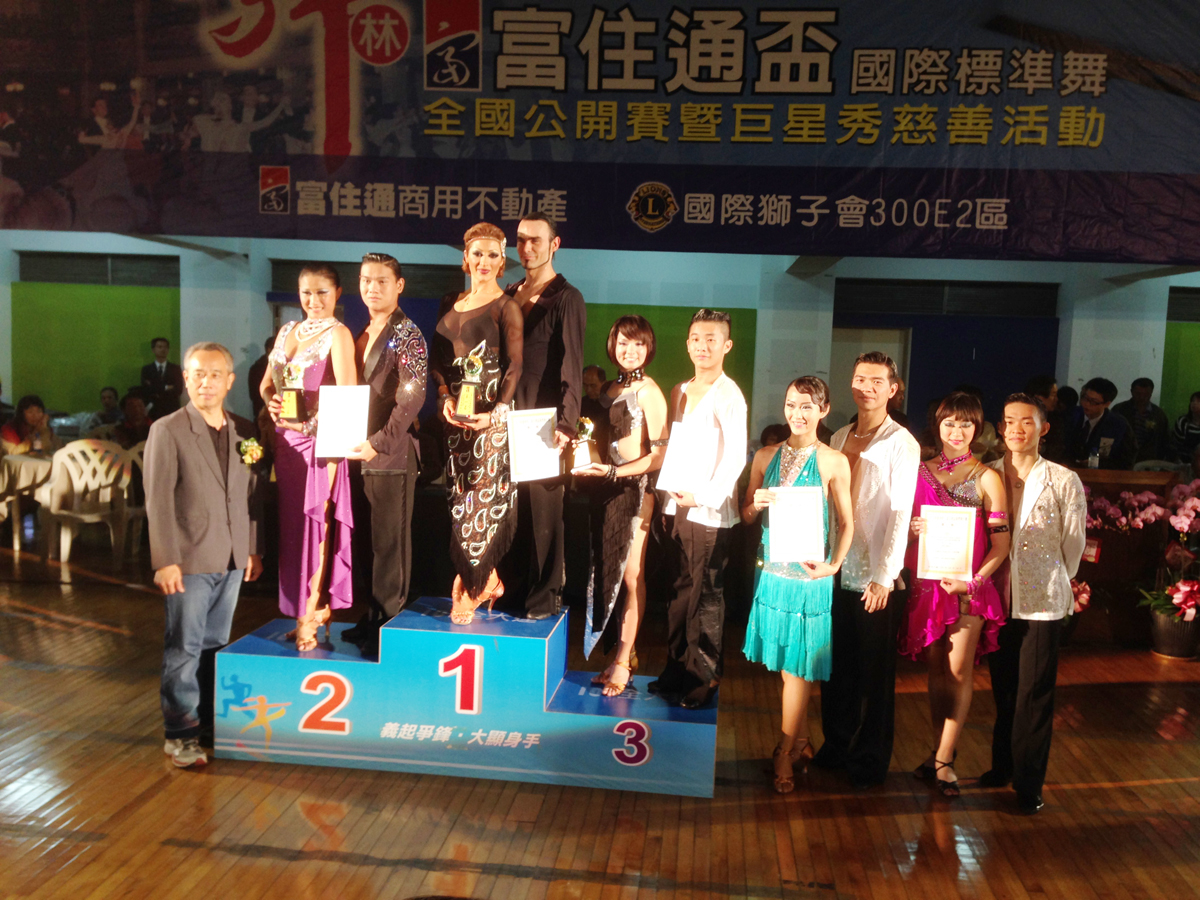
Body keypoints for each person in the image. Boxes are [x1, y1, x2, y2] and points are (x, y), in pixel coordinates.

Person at [145, 342, 263, 769]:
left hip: (231, 558)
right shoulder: (168, 429)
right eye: (197, 374)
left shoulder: (244, 431)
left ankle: (209, 725)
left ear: (230, 381)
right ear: (185, 378)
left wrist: (251, 548)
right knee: (184, 646)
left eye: (215, 375)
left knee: (215, 644)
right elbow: (158, 500)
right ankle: (180, 734)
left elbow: (251, 495)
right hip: (188, 558)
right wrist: (165, 560)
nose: (205, 382)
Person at [814, 351, 920, 789]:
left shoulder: (902, 442)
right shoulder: (839, 436)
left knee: (874, 675)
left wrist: (885, 575)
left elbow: (900, 513)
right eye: (860, 379)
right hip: (836, 567)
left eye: (877, 381)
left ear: (893, 389)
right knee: (836, 666)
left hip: (875, 575)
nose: (867, 388)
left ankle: (870, 757)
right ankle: (836, 743)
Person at [741, 376, 854, 793]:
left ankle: (784, 750)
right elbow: (746, 514)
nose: (797, 413)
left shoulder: (832, 460)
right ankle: (803, 740)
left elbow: (848, 523)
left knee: (799, 669)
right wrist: (756, 503)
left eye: (807, 406)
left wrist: (834, 566)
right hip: (773, 574)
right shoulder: (765, 455)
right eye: (791, 404)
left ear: (824, 410)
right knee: (791, 672)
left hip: (810, 578)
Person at [981, 393, 1087, 814]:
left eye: (1027, 421)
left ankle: (1028, 783)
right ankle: (1002, 766)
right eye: (1009, 421)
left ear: (1044, 428)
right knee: (1004, 689)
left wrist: (1055, 577)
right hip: (996, 599)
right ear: (1000, 427)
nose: (1017, 429)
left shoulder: (1063, 479)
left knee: (1034, 694)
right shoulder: (987, 473)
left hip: (1041, 601)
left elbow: (1073, 543)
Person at [901, 391, 1009, 799]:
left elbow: (1001, 545)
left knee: (959, 671)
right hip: (927, 588)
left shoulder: (987, 477)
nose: (957, 431)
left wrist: (974, 583)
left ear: (977, 428)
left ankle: (946, 759)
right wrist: (911, 530)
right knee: (935, 672)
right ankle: (938, 751)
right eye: (950, 423)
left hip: (968, 590)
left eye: (966, 423)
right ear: (938, 426)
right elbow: (899, 529)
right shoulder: (918, 472)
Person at [649, 309, 748, 709]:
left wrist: (703, 496)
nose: (702, 346)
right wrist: (668, 499)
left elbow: (736, 457)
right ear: (687, 343)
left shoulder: (729, 394)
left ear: (726, 345)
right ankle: (676, 670)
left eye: (711, 339)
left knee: (705, 596)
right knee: (679, 593)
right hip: (677, 506)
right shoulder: (680, 389)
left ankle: (703, 678)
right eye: (695, 338)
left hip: (708, 511)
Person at [260, 263, 356, 651]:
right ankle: (306, 608)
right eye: (306, 293)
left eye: (322, 292)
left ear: (337, 294)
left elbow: (349, 396)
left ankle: (310, 614)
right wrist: (272, 403)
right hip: (286, 443)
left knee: (315, 527)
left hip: (321, 444)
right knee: (292, 530)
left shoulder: (339, 334)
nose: (313, 301)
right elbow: (267, 385)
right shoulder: (287, 331)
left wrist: (311, 424)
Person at [572, 316, 668, 695]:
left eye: (638, 344)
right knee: (607, 573)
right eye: (623, 343)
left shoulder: (650, 392)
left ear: (649, 348)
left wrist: (616, 472)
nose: (630, 351)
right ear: (612, 346)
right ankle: (618, 655)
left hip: (635, 490)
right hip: (603, 489)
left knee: (631, 577)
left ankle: (625, 659)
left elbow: (659, 456)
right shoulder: (609, 389)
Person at [433, 223, 523, 624]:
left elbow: (515, 366)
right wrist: (444, 398)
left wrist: (497, 412)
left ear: (502, 262)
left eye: (492, 255)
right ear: (465, 258)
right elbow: (438, 362)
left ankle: (473, 584)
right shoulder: (450, 301)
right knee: (461, 501)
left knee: (483, 502)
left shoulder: (507, 307)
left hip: (491, 422)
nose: (483, 261)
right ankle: (487, 580)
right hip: (457, 422)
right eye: (477, 253)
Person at [342, 252, 428, 651]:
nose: (372, 288)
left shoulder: (407, 333)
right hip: (357, 453)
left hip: (390, 455)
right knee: (369, 545)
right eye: (366, 280)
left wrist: (378, 443)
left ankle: (387, 629)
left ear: (399, 286)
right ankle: (373, 617)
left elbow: (412, 398)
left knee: (390, 548)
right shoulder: (360, 332)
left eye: (381, 281)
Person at [503, 213, 586, 620]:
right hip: (506, 417)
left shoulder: (567, 297)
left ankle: (544, 598)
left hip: (543, 423)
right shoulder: (509, 292)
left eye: (536, 240)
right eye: (521, 240)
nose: (527, 248)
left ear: (555, 244)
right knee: (511, 511)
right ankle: (511, 591)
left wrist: (567, 423)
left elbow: (573, 363)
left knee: (544, 514)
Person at [1065, 377, 1136, 469]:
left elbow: (1126, 459)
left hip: (1101, 473)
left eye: (1093, 402)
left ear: (1107, 404)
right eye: (1085, 398)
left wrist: (1098, 463)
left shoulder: (1118, 424)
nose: (1086, 404)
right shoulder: (1070, 415)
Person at [1112, 377, 1173, 463]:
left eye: (1146, 394)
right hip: (1122, 457)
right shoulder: (1120, 410)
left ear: (1151, 393)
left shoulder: (1158, 414)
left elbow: (1165, 439)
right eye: (1138, 394)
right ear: (1131, 392)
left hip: (1149, 460)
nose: (1142, 397)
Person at [1024, 375, 1067, 464]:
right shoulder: (1020, 417)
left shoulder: (1056, 420)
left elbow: (1058, 448)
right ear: (1038, 397)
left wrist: (1042, 448)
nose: (1056, 399)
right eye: (1053, 395)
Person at [141, 337, 185, 418]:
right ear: (153, 350)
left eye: (165, 347)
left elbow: (179, 389)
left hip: (172, 409)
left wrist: (155, 386)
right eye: (160, 347)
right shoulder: (147, 369)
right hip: (154, 410)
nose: (163, 350)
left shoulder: (175, 368)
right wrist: (166, 387)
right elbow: (146, 390)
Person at [580, 364, 611, 460]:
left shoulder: (613, 405)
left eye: (593, 386)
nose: (588, 390)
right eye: (585, 385)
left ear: (604, 383)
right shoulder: (581, 404)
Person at [247, 336, 274, 419]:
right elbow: (254, 393)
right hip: (263, 409)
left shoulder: (255, 366)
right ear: (269, 349)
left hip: (265, 408)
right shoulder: (258, 367)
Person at [1177, 392, 1200, 463]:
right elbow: (1175, 445)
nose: (1194, 403)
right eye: (1192, 401)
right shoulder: (1183, 422)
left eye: (1198, 401)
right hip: (1183, 462)